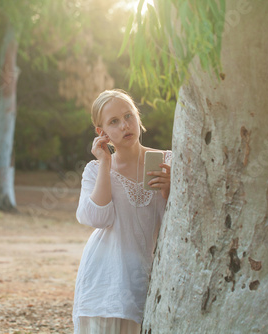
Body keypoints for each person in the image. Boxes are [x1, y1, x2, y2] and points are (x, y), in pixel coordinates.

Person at [73, 89, 172, 334]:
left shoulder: (168, 162)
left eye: (128, 116)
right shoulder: (95, 170)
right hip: (105, 279)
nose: (125, 125)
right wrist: (106, 162)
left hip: (150, 279)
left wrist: (170, 188)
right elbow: (97, 218)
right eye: (114, 122)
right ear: (102, 132)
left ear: (138, 117)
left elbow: (179, 223)